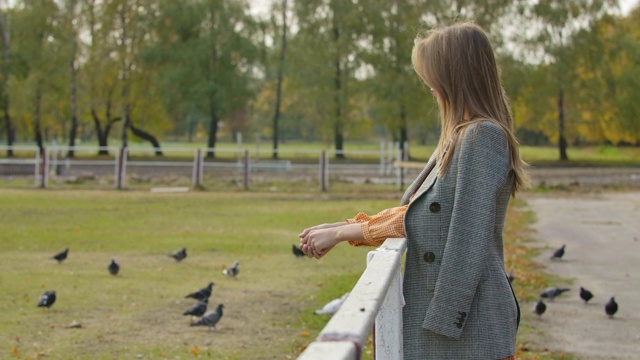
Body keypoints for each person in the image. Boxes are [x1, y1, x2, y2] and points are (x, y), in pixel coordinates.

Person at [298, 21, 529, 360]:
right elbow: (419, 213)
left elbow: (467, 236)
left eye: (433, 76)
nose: (430, 87)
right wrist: (340, 229)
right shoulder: (457, 138)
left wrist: (347, 231)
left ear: (455, 76)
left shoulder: (483, 138)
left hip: (466, 324)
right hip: (445, 321)